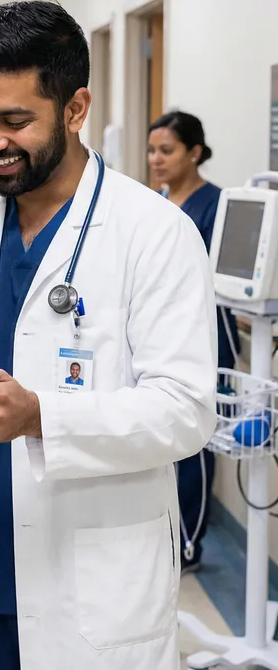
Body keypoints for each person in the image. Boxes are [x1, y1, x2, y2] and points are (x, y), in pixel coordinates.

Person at [0, 1, 217, 670]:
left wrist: (42, 415)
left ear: (76, 109)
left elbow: (186, 411)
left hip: (91, 587)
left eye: (16, 121)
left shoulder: (152, 233)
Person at [149, 109, 238, 573]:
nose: (156, 160)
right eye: (152, 151)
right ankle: (166, 534)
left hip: (209, 340)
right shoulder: (158, 204)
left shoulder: (216, 205)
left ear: (195, 153)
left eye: (167, 150)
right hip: (159, 339)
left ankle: (188, 543)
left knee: (194, 444)